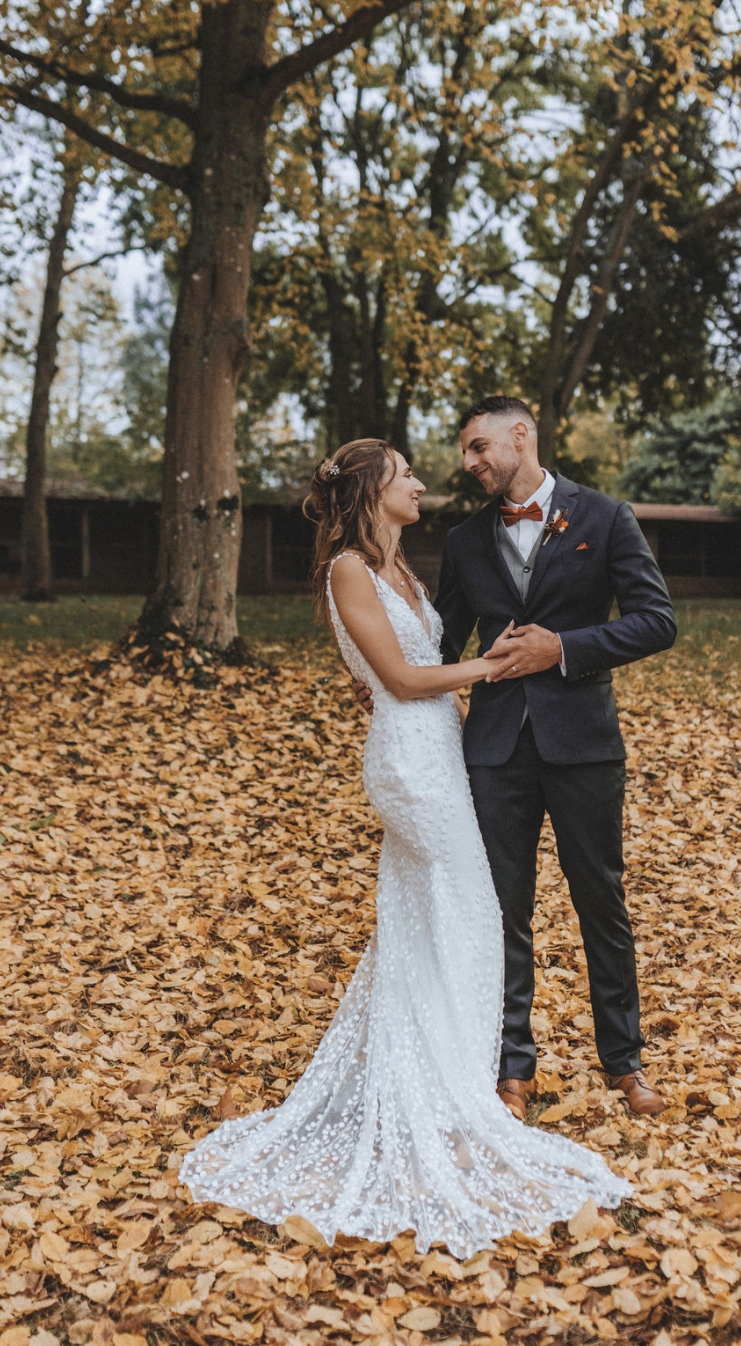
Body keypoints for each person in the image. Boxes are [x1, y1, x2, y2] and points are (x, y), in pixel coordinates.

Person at [179, 437, 631, 1257]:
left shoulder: (402, 567)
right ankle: (451, 1089)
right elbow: (400, 679)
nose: (422, 483)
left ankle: (444, 1075)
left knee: (443, 917)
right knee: (468, 909)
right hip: (411, 763)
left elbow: (413, 652)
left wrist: (457, 670)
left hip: (441, 752)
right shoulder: (350, 568)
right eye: (406, 475)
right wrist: (490, 669)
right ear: (373, 492)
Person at [356, 397, 676, 1120]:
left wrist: (562, 648)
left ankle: (624, 1062)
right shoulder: (467, 538)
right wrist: (383, 677)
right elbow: (438, 640)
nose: (468, 464)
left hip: (585, 746)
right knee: (502, 908)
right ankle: (512, 1068)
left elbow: (658, 622)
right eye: (466, 453)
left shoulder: (605, 517)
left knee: (602, 901)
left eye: (477, 448)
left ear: (520, 436)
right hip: (493, 752)